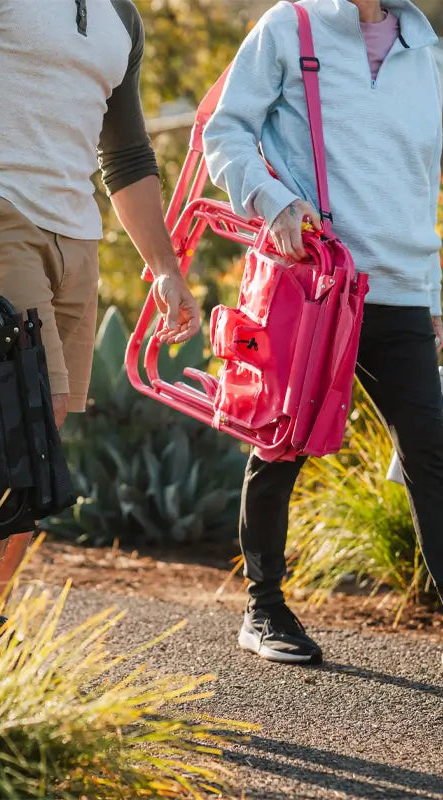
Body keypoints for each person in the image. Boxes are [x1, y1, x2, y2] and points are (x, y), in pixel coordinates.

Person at [0, 0, 200, 621]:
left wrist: (164, 267)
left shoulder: (121, 17)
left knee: (43, 435)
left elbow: (128, 154)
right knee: (27, 417)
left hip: (77, 234)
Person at [204, 0, 443, 665]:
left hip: (398, 291)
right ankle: (264, 607)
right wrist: (272, 202)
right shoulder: (291, 27)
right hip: (314, 285)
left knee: (432, 455)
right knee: (281, 446)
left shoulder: (428, 57)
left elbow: (426, 187)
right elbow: (222, 132)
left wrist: (434, 297)